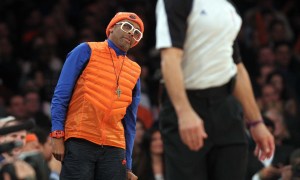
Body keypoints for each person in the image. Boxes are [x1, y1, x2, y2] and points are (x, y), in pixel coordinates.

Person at [155, 0, 275, 180]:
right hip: (188, 104)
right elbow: (170, 58)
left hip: (226, 107)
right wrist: (184, 112)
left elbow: (236, 66)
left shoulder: (225, 6)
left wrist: (256, 122)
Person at [50, 12, 144, 180]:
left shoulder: (135, 70)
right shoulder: (86, 50)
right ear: (112, 28)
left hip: (114, 147)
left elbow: (130, 121)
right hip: (80, 138)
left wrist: (128, 165)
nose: (131, 33)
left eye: (137, 33)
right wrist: (57, 135)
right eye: (127, 26)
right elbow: (61, 95)